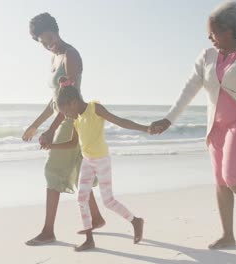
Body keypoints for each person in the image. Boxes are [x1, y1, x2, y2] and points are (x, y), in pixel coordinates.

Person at [150, 1, 236, 249]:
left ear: (228, 30)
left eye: (212, 32)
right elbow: (189, 89)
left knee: (232, 176)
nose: (209, 37)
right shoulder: (207, 56)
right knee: (221, 181)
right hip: (216, 127)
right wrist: (169, 118)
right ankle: (228, 235)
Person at [22, 13, 105, 246]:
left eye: (47, 38)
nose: (47, 45)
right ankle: (96, 218)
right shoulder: (54, 58)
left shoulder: (70, 54)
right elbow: (54, 101)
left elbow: (70, 98)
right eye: (42, 42)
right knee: (80, 172)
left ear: (54, 29)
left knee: (53, 172)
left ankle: (48, 231)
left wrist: (51, 130)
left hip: (70, 120)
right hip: (66, 118)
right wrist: (36, 125)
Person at [44, 82, 145, 251]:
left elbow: (120, 121)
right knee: (81, 198)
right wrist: (51, 146)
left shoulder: (95, 108)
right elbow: (72, 143)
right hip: (87, 162)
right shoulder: (77, 120)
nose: (67, 116)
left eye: (67, 111)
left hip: (102, 161)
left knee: (108, 201)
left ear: (73, 102)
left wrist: (146, 129)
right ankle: (89, 239)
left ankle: (136, 221)